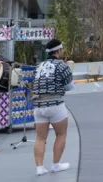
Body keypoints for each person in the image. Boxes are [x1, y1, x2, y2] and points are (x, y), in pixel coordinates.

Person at [32, 39, 74, 176]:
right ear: (59, 50)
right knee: (61, 134)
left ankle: (39, 168)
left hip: (39, 105)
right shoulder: (61, 65)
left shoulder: (39, 66)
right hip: (55, 104)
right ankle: (55, 164)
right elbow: (69, 87)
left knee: (40, 138)